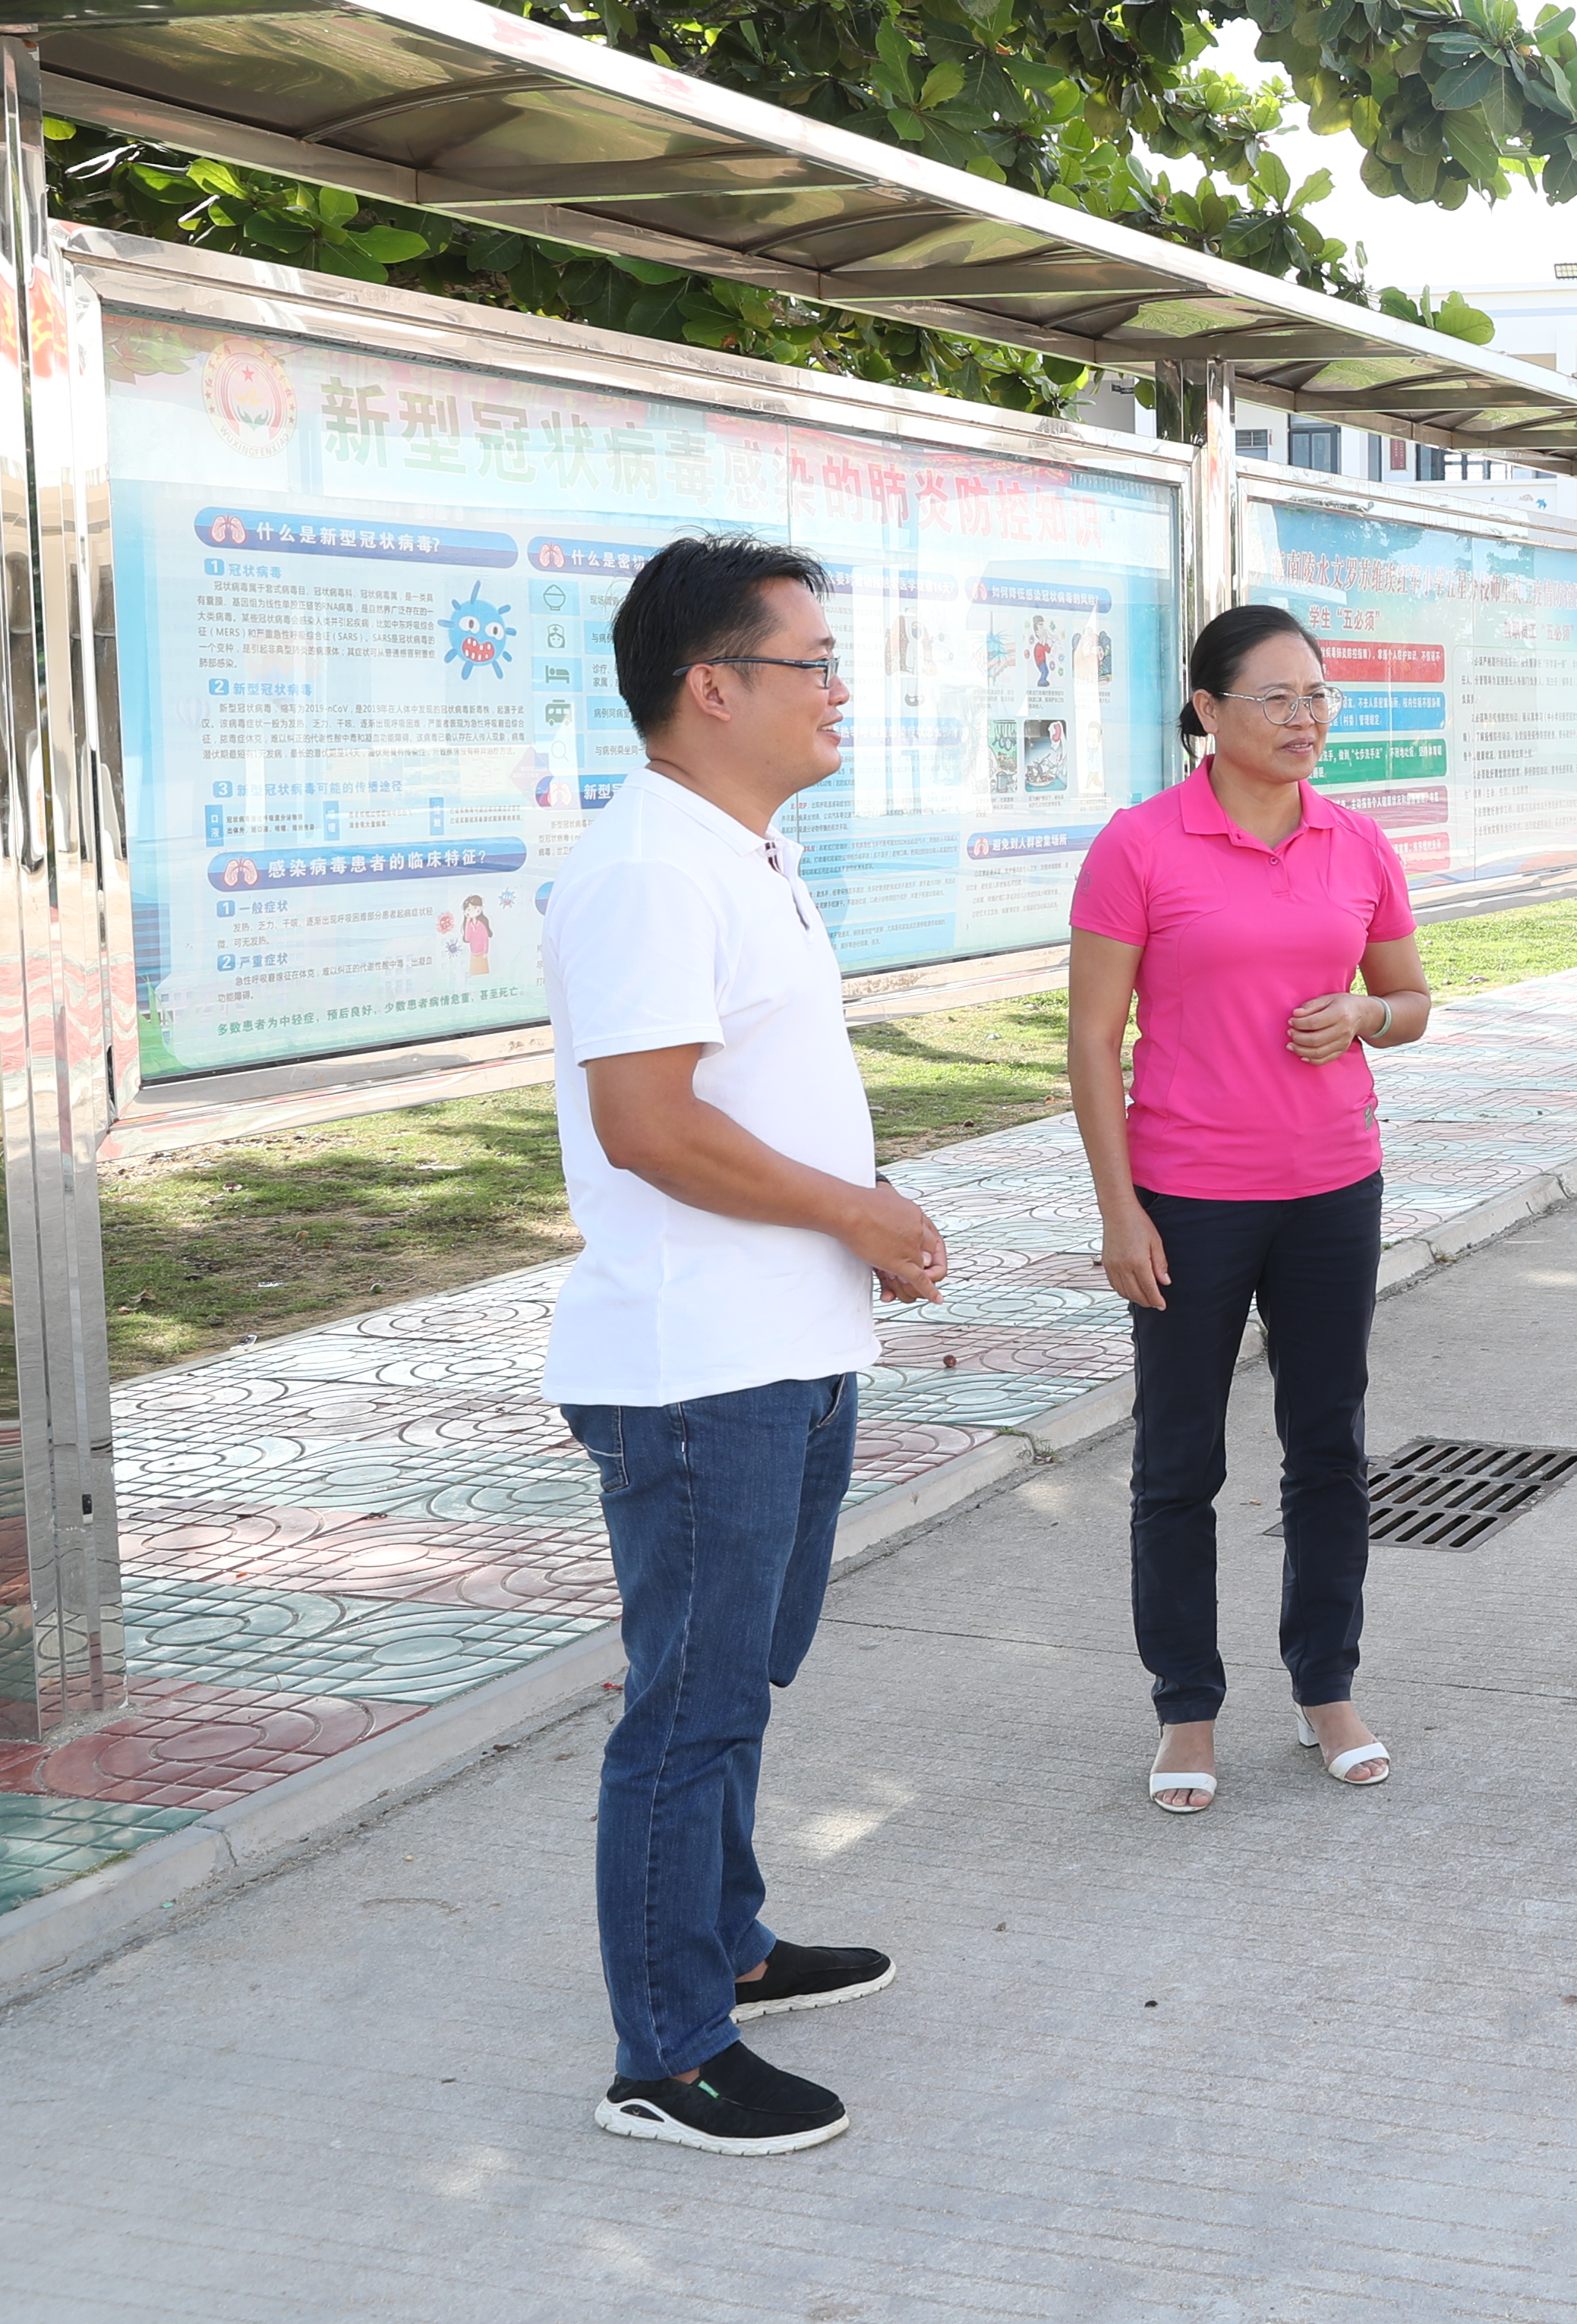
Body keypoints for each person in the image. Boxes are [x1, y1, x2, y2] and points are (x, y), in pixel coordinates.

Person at [550, 534, 949, 2157]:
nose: (840, 689)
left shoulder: (737, 850)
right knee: (689, 1706)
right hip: (696, 1366)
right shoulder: (653, 863)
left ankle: (728, 1941)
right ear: (711, 688)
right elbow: (648, 1125)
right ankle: (668, 2053)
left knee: (741, 1679)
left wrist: (855, 1219)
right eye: (810, 662)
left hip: (778, 1348)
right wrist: (851, 1213)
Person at [1067, 604, 1433, 1816]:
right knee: (1180, 1460)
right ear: (1208, 711)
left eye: (1318, 695)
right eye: (1275, 697)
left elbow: (1411, 998)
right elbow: (1090, 1039)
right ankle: (1186, 1706)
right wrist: (1122, 1211)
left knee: (1328, 1449)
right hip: (1191, 1194)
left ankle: (1325, 1685)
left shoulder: (1354, 841)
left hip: (1335, 1183)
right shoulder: (1140, 844)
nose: (1305, 719)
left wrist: (1366, 1018)